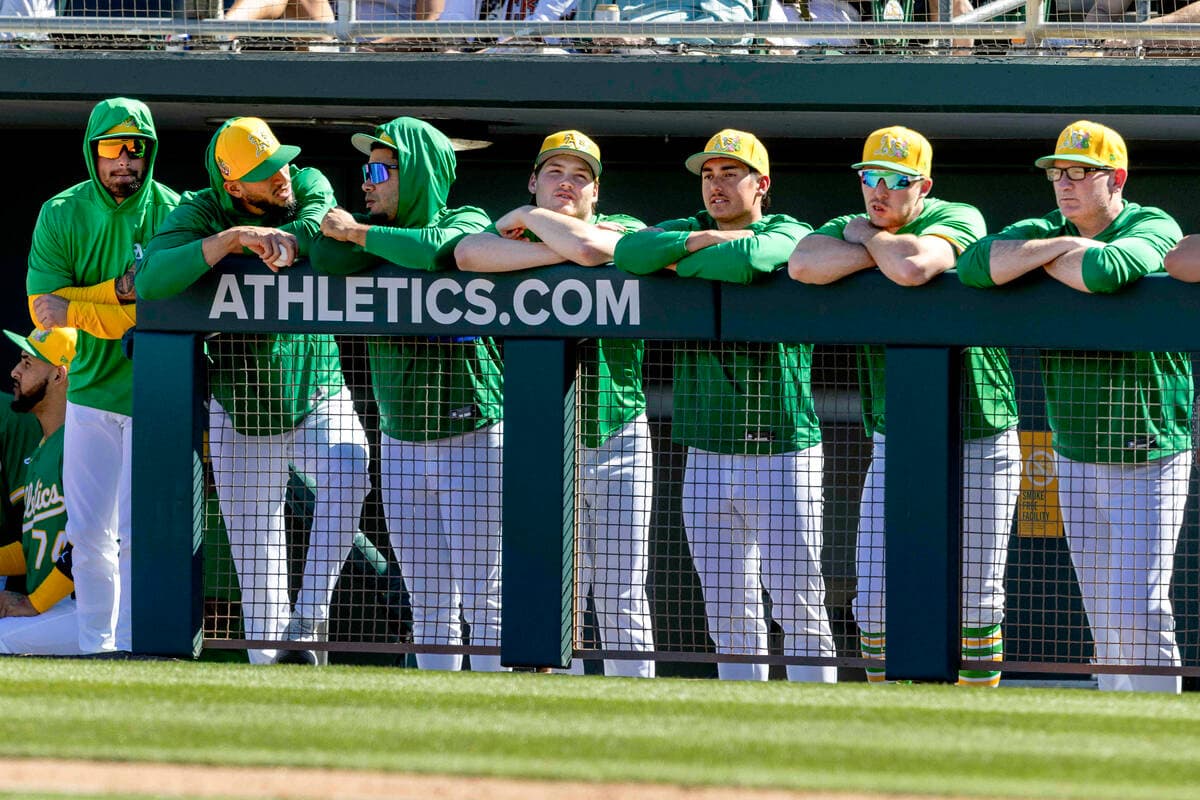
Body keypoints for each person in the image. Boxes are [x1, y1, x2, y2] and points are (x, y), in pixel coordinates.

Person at [958, 120, 1190, 694]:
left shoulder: (1152, 221)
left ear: (1116, 178)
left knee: (1140, 610)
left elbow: (1105, 271)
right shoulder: (1043, 228)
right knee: (1103, 618)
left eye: (1081, 172)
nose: (1065, 182)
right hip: (1075, 450)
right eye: (1058, 172)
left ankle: (1161, 741)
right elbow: (976, 265)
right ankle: (1118, 738)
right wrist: (1061, 245)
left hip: (1150, 448)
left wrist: (1040, 261)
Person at [789, 126, 1021, 687]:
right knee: (873, 598)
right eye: (870, 178)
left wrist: (865, 240)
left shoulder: (958, 215)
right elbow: (802, 264)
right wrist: (874, 242)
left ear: (924, 186)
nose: (880, 191)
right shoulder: (854, 224)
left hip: (979, 433)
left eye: (896, 181)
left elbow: (914, 268)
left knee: (976, 593)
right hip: (896, 436)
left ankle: (977, 718)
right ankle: (886, 710)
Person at [137, 117, 370, 666]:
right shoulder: (201, 210)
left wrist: (287, 236)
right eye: (265, 173)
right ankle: (272, 682)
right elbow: (150, 281)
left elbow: (315, 219)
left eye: (279, 161)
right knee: (257, 560)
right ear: (234, 186)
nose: (280, 175)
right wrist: (233, 239)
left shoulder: (306, 182)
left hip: (316, 386)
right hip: (241, 404)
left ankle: (310, 614)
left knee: (350, 469)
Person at [614, 129, 836, 682]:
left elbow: (756, 259)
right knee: (728, 609)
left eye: (730, 174)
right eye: (708, 175)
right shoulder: (684, 228)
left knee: (799, 605)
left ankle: (819, 729)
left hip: (783, 447)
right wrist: (695, 245)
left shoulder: (791, 229)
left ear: (762, 184)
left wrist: (681, 260)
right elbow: (629, 252)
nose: (716, 185)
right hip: (706, 450)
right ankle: (746, 728)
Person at [456, 130, 655, 678]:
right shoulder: (508, 227)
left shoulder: (627, 229)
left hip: (618, 434)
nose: (566, 184)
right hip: (539, 440)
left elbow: (594, 249)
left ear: (596, 192)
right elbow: (469, 252)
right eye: (554, 173)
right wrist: (546, 241)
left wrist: (527, 237)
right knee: (549, 592)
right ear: (533, 182)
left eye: (579, 176)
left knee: (621, 595)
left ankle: (638, 726)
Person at [308, 117, 501, 672]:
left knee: (486, 599)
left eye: (378, 170)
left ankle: (498, 726)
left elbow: (437, 247)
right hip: (399, 441)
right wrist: (361, 236)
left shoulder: (467, 218)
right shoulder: (370, 231)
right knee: (430, 601)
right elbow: (325, 257)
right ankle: (441, 735)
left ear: (414, 173)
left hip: (473, 434)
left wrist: (361, 236)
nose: (365, 184)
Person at [26, 97, 180, 655]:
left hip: (157, 393)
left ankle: (135, 645)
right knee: (89, 535)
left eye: (135, 148)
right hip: (88, 393)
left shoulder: (174, 210)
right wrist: (115, 294)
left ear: (149, 153)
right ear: (94, 152)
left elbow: (160, 309)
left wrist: (82, 307)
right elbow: (43, 309)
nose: (124, 161)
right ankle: (98, 647)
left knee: (139, 537)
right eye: (112, 148)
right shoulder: (60, 212)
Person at [0, 327, 80, 656]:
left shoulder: (81, 443)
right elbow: (34, 552)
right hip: (57, 610)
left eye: (28, 363)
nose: (15, 371)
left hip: (89, 608)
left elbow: (91, 543)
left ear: (59, 376)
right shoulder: (44, 448)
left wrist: (33, 603)